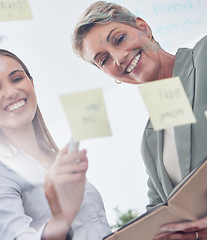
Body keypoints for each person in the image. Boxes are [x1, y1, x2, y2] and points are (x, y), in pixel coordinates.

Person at [72, 1, 207, 239]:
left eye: (119, 39)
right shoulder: (151, 140)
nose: (119, 58)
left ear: (143, 27)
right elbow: (160, 211)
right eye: (103, 60)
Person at [0, 49, 112, 240]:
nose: (11, 92)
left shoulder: (55, 157)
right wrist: (60, 218)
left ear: (32, 84)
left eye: (17, 79)